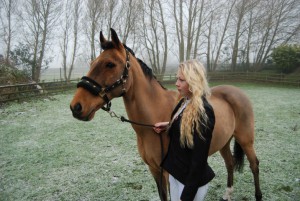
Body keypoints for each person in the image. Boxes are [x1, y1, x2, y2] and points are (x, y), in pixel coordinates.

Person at [153, 60, 215, 201]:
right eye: (177, 78)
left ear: (193, 82)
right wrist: (169, 125)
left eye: (181, 80)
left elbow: (199, 159)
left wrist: (187, 195)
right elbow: (185, 124)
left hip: (190, 182)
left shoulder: (204, 111)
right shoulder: (184, 101)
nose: (176, 83)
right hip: (176, 173)